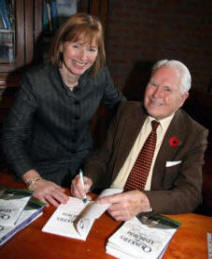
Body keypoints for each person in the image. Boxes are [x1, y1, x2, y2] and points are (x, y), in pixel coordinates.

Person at [2, 13, 125, 207]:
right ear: (60, 45)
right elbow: (11, 137)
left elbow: (122, 109)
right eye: (76, 46)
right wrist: (35, 181)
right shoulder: (36, 81)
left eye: (91, 49)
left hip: (85, 171)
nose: (84, 57)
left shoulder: (99, 75)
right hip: (41, 171)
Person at [71, 59, 208, 221]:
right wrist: (88, 178)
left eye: (167, 89)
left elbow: (191, 194)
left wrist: (145, 201)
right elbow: (102, 157)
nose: (157, 94)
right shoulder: (126, 112)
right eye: (153, 84)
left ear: (182, 98)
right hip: (107, 205)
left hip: (150, 214)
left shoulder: (193, 134)